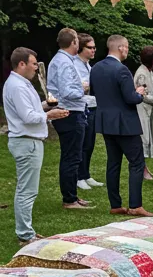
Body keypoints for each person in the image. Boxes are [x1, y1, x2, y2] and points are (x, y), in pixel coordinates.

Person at [2, 47, 69, 242]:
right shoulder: (17, 86)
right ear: (21, 64)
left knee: (29, 189)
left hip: (29, 141)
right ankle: (25, 235)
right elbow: (28, 117)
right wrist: (49, 115)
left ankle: (26, 231)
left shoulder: (22, 83)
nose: (35, 68)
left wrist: (46, 105)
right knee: (27, 190)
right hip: (26, 142)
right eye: (33, 64)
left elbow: (31, 110)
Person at [89, 34, 149, 216]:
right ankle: (135, 205)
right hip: (125, 123)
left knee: (113, 163)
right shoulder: (122, 70)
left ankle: (115, 204)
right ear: (121, 47)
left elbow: (95, 92)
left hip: (106, 122)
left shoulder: (96, 68)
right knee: (137, 162)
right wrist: (139, 93)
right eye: (127, 47)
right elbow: (130, 99)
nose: (127, 51)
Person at [47, 26, 90, 209]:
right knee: (71, 157)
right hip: (69, 113)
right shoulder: (63, 62)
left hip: (71, 111)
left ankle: (72, 194)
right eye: (77, 41)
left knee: (74, 156)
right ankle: (69, 199)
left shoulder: (64, 60)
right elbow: (66, 91)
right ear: (74, 42)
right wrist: (83, 88)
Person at [76, 32, 103, 192]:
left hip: (93, 105)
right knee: (82, 143)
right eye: (90, 48)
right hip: (83, 105)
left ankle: (86, 174)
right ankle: (79, 176)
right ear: (81, 48)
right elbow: (82, 86)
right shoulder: (75, 65)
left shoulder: (88, 65)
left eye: (94, 48)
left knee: (90, 143)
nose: (93, 50)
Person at [134, 45, 153, 180]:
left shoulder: (148, 71)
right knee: (143, 140)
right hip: (142, 110)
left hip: (149, 111)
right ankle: (142, 171)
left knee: (148, 138)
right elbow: (144, 94)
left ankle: (145, 169)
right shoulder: (141, 73)